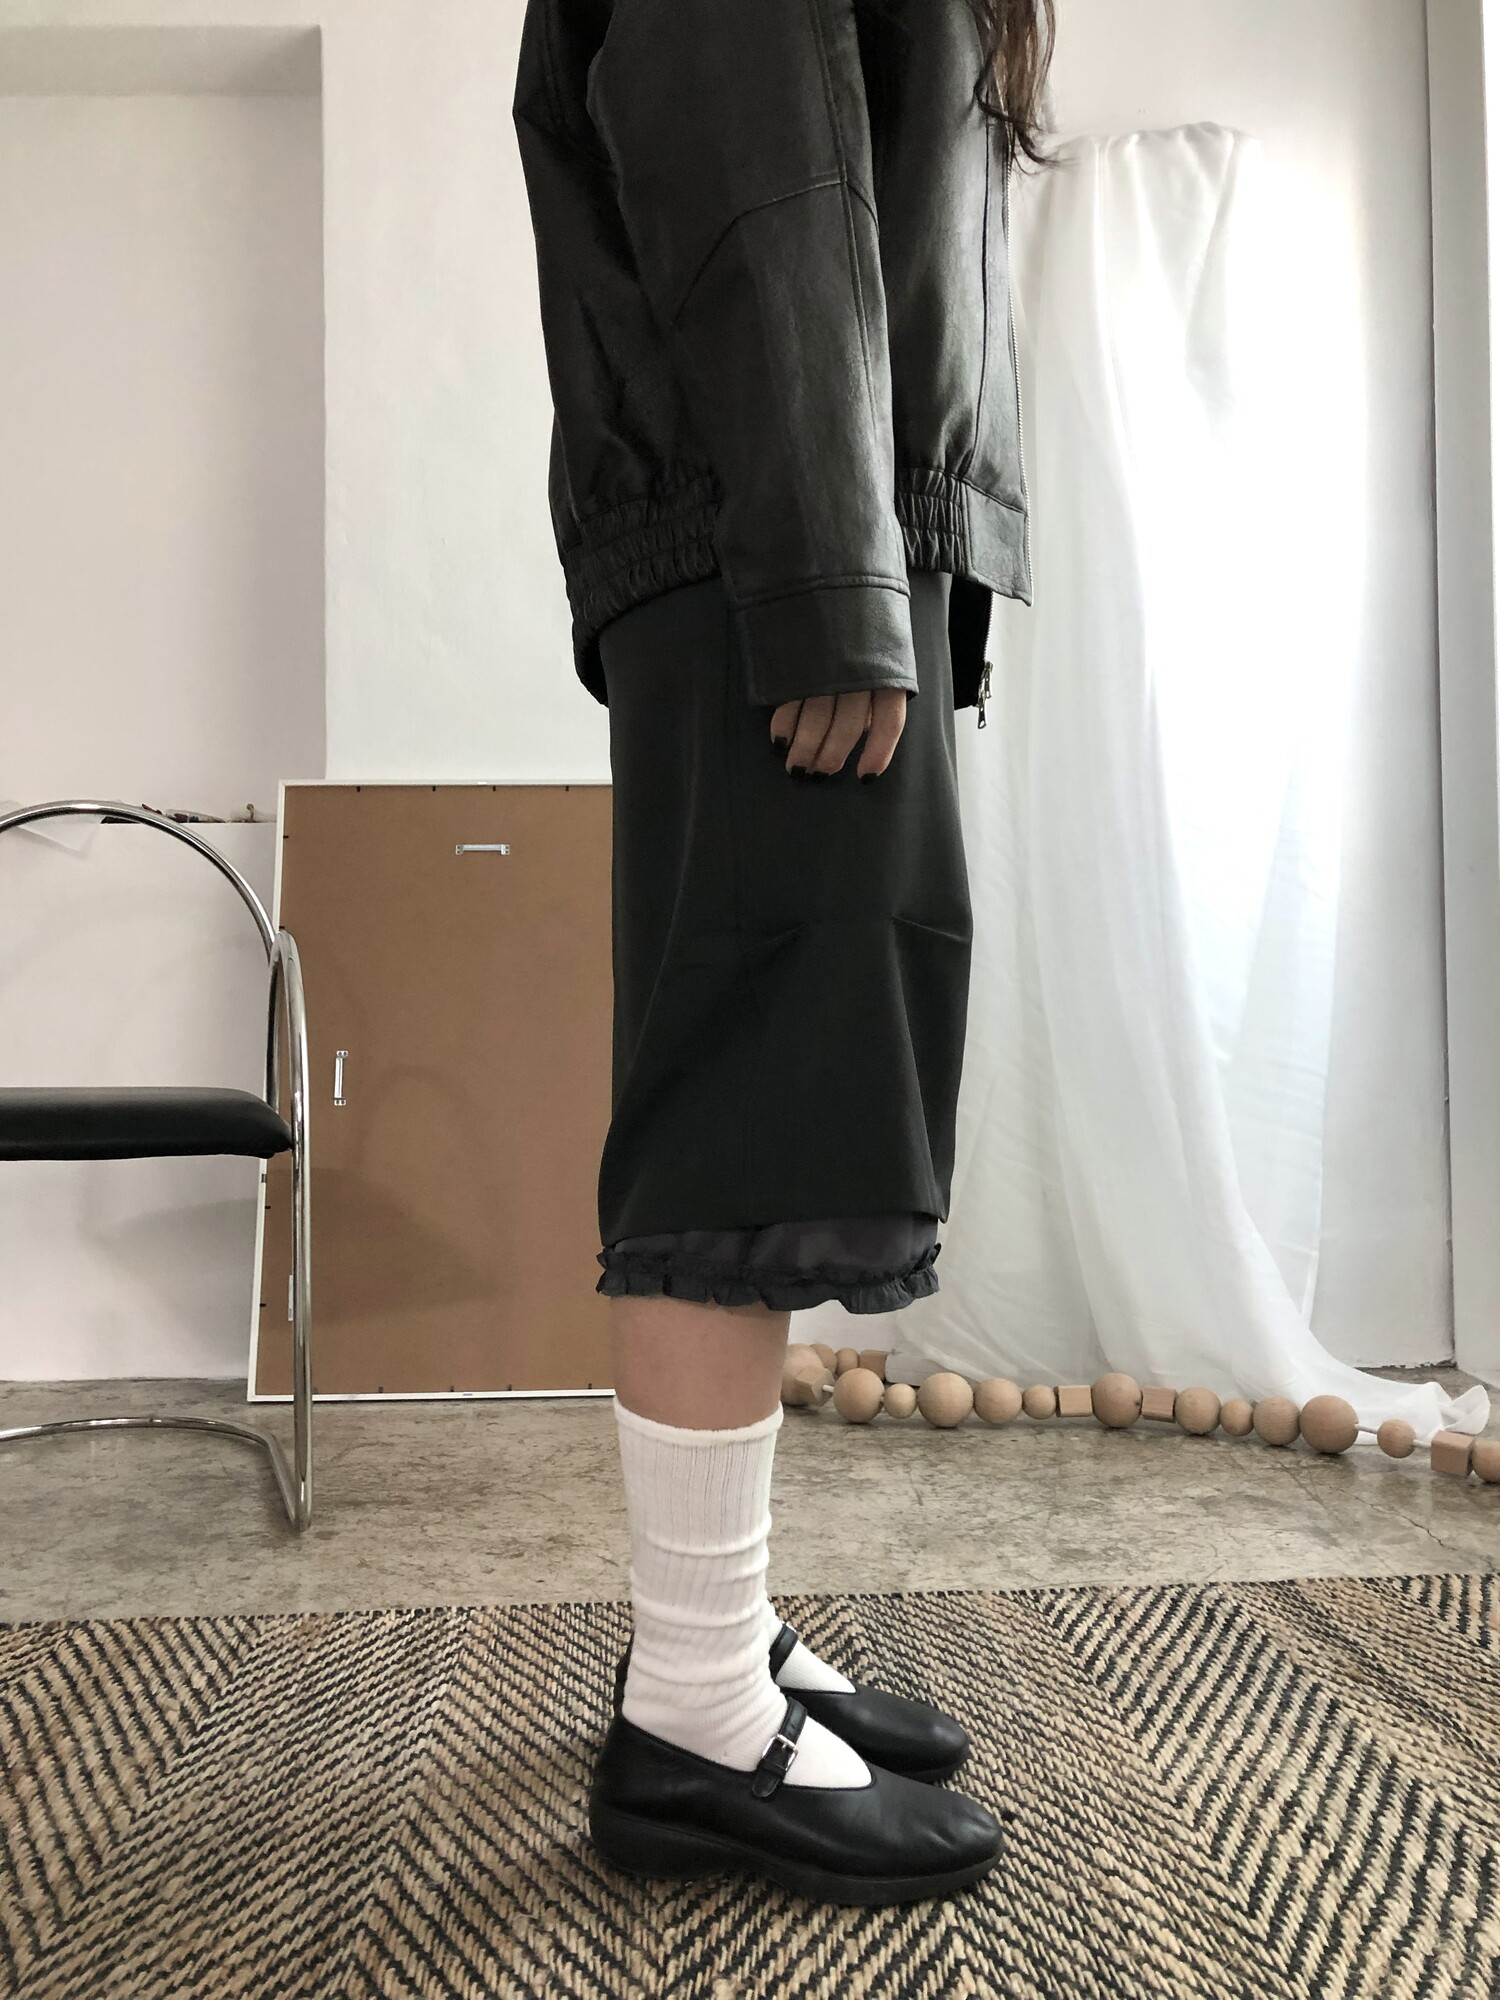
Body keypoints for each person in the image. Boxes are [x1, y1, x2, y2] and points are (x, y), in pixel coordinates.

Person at [513, 0, 1053, 1907]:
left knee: (791, 1088)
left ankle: (713, 1648)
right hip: (780, 540)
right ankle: (692, 1715)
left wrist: (889, 548)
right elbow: (761, 158)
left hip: (799, 526)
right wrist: (834, 563)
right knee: (742, 1120)